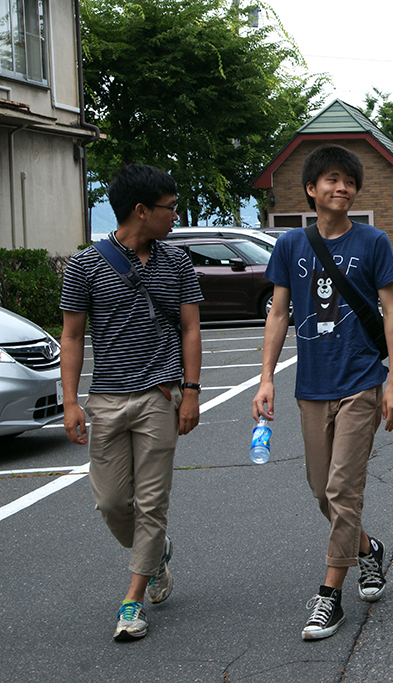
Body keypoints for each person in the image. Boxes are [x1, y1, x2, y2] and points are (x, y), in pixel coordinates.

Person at [252, 144, 393, 641]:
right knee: (322, 491)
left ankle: (329, 596)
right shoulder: (290, 246)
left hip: (361, 380)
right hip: (311, 386)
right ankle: (368, 549)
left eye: (349, 181)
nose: (343, 188)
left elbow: (392, 313)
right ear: (311, 189)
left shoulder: (373, 241)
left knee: (343, 489)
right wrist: (265, 378)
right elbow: (279, 314)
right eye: (333, 180)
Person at [60, 163, 203, 641]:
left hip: (161, 394)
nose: (174, 216)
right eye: (169, 208)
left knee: (151, 501)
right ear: (141, 210)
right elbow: (73, 336)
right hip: (106, 398)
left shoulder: (177, 262)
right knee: (112, 503)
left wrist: (193, 392)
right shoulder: (85, 264)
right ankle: (157, 552)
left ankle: (132, 601)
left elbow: (190, 328)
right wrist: (70, 401)